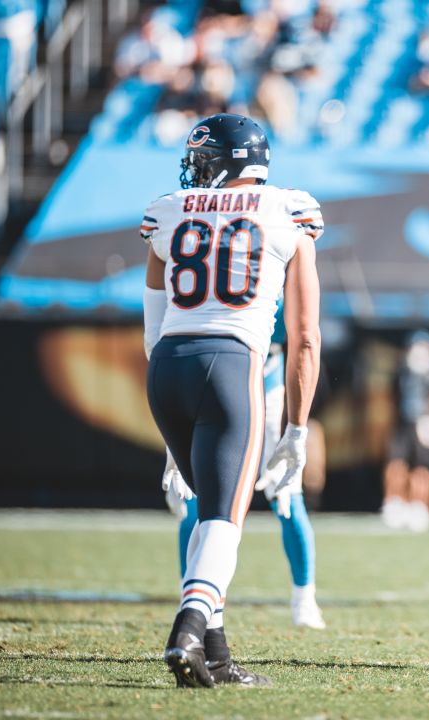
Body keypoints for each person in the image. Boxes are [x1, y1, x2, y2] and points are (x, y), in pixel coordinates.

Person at [142, 113, 321, 688]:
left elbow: (153, 326)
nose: (194, 169)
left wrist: (172, 443)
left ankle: (214, 654)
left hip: (167, 368)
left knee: (208, 512)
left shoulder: (167, 210)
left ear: (227, 161)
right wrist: (297, 428)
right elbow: (305, 338)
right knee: (224, 518)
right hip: (233, 365)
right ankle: (189, 630)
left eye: (202, 158)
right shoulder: (289, 210)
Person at [166, 300, 326, 631]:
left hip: (255, 388)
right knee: (200, 504)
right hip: (213, 382)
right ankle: (192, 602)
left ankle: (304, 597)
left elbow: (294, 340)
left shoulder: (276, 272)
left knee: (285, 499)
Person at [381, 330, 429, 532]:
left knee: (422, 467)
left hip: (425, 424)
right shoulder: (402, 371)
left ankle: (420, 506)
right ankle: (394, 503)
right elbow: (392, 397)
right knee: (396, 463)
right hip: (403, 423)